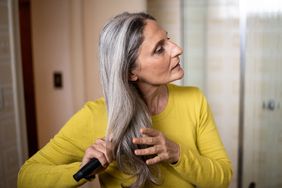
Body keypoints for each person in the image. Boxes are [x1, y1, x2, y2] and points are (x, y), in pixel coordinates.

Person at [18, 12, 233, 188]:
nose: (177, 49)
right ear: (130, 72)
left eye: (167, 39)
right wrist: (82, 170)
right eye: (160, 49)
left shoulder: (194, 101)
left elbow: (222, 177)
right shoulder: (95, 116)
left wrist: (177, 153)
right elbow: (27, 177)